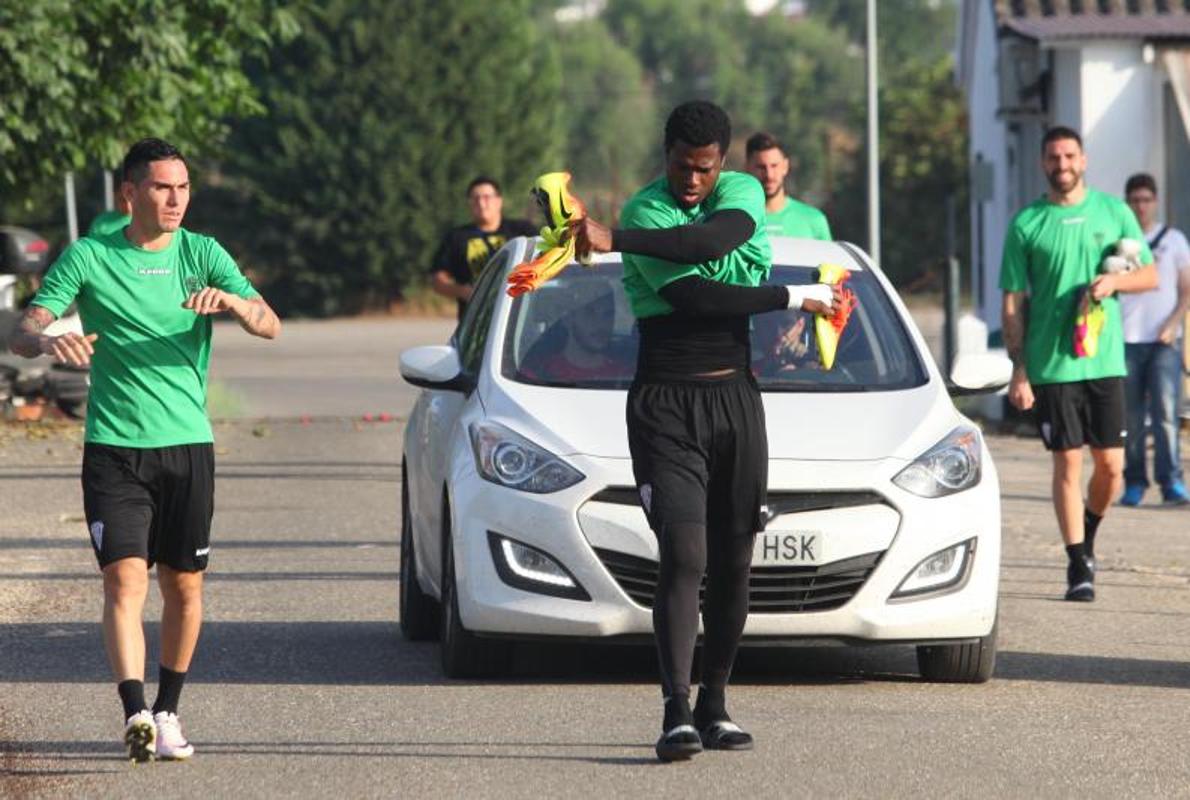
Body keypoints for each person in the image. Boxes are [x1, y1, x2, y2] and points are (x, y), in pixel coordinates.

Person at [573, 100, 840, 761]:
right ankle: (675, 710)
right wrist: (791, 296)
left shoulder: (741, 191)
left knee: (734, 558)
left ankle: (716, 702)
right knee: (685, 557)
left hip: (736, 399)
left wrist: (615, 242)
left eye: (705, 168)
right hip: (666, 401)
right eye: (681, 167)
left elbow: (713, 242)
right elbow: (696, 296)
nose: (692, 180)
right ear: (662, 156)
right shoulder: (645, 210)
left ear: (722, 162)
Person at [6, 138, 281, 762]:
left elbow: (270, 322)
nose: (176, 199)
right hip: (114, 449)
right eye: (162, 187)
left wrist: (236, 302)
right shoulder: (92, 255)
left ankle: (169, 710)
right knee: (124, 580)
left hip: (187, 445)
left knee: (184, 586)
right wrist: (50, 342)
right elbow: (26, 329)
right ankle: (135, 713)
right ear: (130, 194)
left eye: (183, 187)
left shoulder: (203, 252)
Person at [1000, 126, 1157, 603]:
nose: (1062, 164)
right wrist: (1019, 367)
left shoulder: (1114, 212)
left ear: (1083, 160)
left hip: (1104, 361)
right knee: (1067, 463)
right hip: (1052, 365)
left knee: (1111, 467)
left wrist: (1114, 286)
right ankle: (1077, 564)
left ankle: (1087, 533)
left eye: (1069, 156)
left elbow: (1148, 273)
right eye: (1053, 157)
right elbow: (1011, 302)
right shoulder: (1027, 222)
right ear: (1043, 163)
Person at [1118, 173, 1190, 506]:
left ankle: (1171, 481)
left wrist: (1173, 323)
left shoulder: (1173, 240)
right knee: (1131, 418)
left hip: (1163, 341)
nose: (1141, 206)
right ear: (1127, 203)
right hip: (1126, 340)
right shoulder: (1122, 244)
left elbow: (1186, 289)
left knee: (1165, 412)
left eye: (1146, 200)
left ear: (1155, 202)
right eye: (1135, 200)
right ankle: (1134, 481)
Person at [430, 176, 537, 319]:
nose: (481, 203)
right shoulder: (456, 237)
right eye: (475, 199)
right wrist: (464, 292)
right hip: (477, 322)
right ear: (469, 203)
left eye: (487, 197)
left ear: (499, 201)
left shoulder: (523, 231)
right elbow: (438, 281)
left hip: (521, 318)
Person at [743, 132, 831, 240]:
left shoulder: (814, 220)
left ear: (785, 166)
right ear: (747, 168)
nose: (769, 175)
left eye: (774, 166)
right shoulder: (735, 221)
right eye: (761, 167)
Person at [87, 172, 133, 238]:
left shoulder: (146, 222)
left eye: (130, 199)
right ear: (115, 196)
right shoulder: (100, 225)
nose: (127, 206)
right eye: (122, 200)